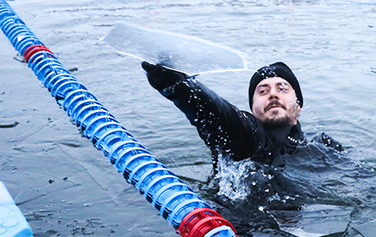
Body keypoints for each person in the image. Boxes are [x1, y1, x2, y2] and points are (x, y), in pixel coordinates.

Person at [143, 60, 342, 167]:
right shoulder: (248, 136)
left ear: (298, 105)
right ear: (253, 108)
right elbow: (215, 112)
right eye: (262, 91)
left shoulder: (324, 145)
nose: (272, 94)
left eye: (282, 88)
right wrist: (177, 84)